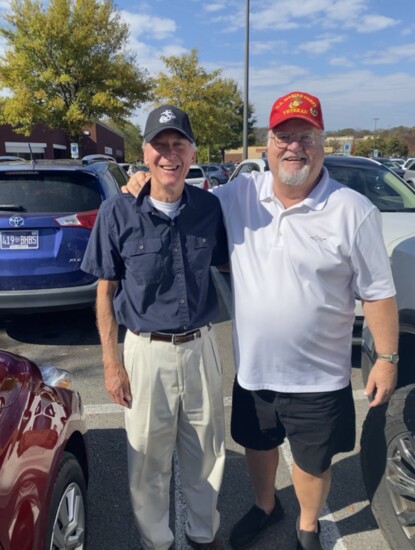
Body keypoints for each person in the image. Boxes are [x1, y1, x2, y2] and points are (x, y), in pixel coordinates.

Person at [126, 91, 398, 550]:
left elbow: (378, 292)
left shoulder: (354, 211)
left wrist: (386, 357)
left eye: (304, 136)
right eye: (283, 136)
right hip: (254, 372)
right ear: (266, 145)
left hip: (320, 376)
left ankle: (308, 526)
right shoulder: (237, 195)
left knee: (313, 463)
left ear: (322, 142)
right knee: (258, 445)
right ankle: (266, 505)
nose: (294, 146)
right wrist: (142, 180)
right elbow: (180, 198)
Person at [81, 104, 228, 550]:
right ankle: (156, 541)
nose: (169, 155)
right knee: (147, 461)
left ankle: (203, 536)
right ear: (144, 154)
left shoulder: (209, 207)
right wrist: (111, 363)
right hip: (145, 353)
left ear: (191, 151)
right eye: (159, 146)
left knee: (207, 454)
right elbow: (104, 293)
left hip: (202, 347)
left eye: (178, 144)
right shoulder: (118, 212)